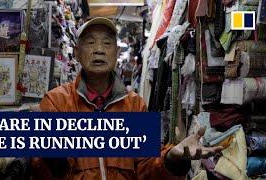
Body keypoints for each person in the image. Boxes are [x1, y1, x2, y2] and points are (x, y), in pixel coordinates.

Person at [33, 17, 223, 180]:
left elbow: (147, 165)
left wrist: (171, 158)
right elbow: (40, 170)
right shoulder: (56, 102)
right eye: (90, 43)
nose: (99, 49)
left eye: (107, 43)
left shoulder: (134, 105)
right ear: (77, 53)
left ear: (116, 53)